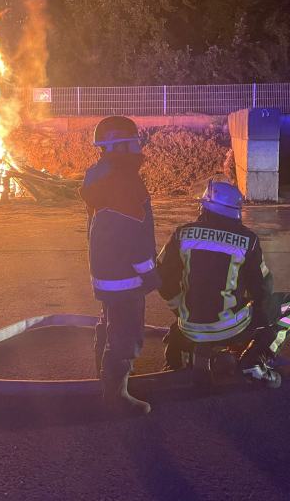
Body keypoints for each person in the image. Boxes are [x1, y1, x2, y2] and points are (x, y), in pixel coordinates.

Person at [156, 176, 290, 394]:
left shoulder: (182, 234)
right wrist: (259, 323)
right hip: (231, 327)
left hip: (188, 326)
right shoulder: (248, 240)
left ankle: (190, 355)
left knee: (196, 316)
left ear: (206, 206)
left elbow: (162, 276)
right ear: (236, 212)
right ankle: (256, 360)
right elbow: (263, 289)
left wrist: (180, 309)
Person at [79, 116, 161, 416]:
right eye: (134, 141)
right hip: (126, 274)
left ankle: (105, 374)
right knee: (126, 333)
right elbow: (134, 238)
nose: (138, 146)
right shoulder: (123, 182)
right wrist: (150, 274)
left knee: (110, 321)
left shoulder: (99, 174)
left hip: (106, 270)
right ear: (120, 145)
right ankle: (117, 396)